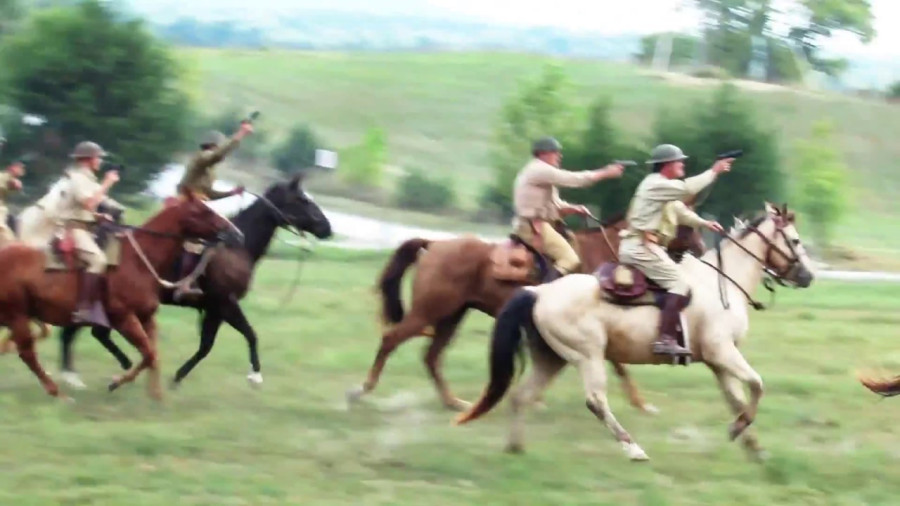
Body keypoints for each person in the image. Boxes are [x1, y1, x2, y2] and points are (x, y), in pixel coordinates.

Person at [619, 144, 734, 357]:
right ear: (667, 165)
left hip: (644, 246)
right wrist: (714, 171)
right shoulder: (656, 184)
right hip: (640, 247)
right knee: (679, 283)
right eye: (679, 161)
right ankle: (665, 339)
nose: (682, 164)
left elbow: (680, 211)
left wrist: (703, 223)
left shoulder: (662, 187)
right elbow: (688, 189)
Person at [512, 136, 625, 279]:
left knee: (574, 245)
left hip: (541, 224)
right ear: (543, 153)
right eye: (555, 152)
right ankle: (547, 289)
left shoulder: (540, 172)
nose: (559, 156)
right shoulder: (539, 169)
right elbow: (574, 179)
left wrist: (574, 208)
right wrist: (606, 173)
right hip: (532, 227)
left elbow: (555, 204)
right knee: (570, 259)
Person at [172, 122, 253, 302]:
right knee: (197, 242)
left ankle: (197, 279)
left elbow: (208, 193)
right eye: (219, 146)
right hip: (188, 207)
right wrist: (240, 134)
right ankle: (184, 283)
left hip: (199, 206)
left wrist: (231, 193)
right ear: (213, 145)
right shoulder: (202, 158)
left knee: (216, 239)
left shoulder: (208, 169)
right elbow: (217, 155)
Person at [52, 141, 124, 327]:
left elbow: (86, 208)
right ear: (89, 159)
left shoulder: (88, 179)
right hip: (73, 229)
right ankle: (83, 310)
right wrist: (107, 183)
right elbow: (89, 203)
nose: (100, 161)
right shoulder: (77, 178)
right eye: (98, 158)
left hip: (85, 228)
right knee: (98, 260)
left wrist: (98, 217)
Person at [0, 156, 25, 246]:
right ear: (12, 167)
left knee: (14, 222)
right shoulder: (3, 176)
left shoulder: (11, 179)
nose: (21, 170)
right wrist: (11, 184)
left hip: (3, 207)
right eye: (19, 167)